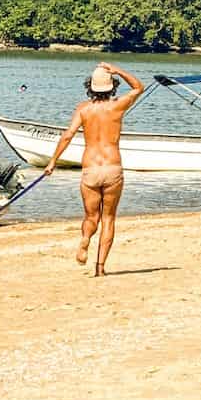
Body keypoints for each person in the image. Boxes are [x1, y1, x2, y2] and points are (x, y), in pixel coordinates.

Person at [43, 62, 144, 276]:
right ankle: (100, 269)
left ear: (90, 87)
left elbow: (68, 134)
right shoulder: (118, 106)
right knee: (108, 218)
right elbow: (138, 87)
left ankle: (86, 238)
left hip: (90, 170)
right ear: (112, 86)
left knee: (91, 217)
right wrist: (118, 70)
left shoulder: (83, 109)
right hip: (112, 168)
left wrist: (52, 161)